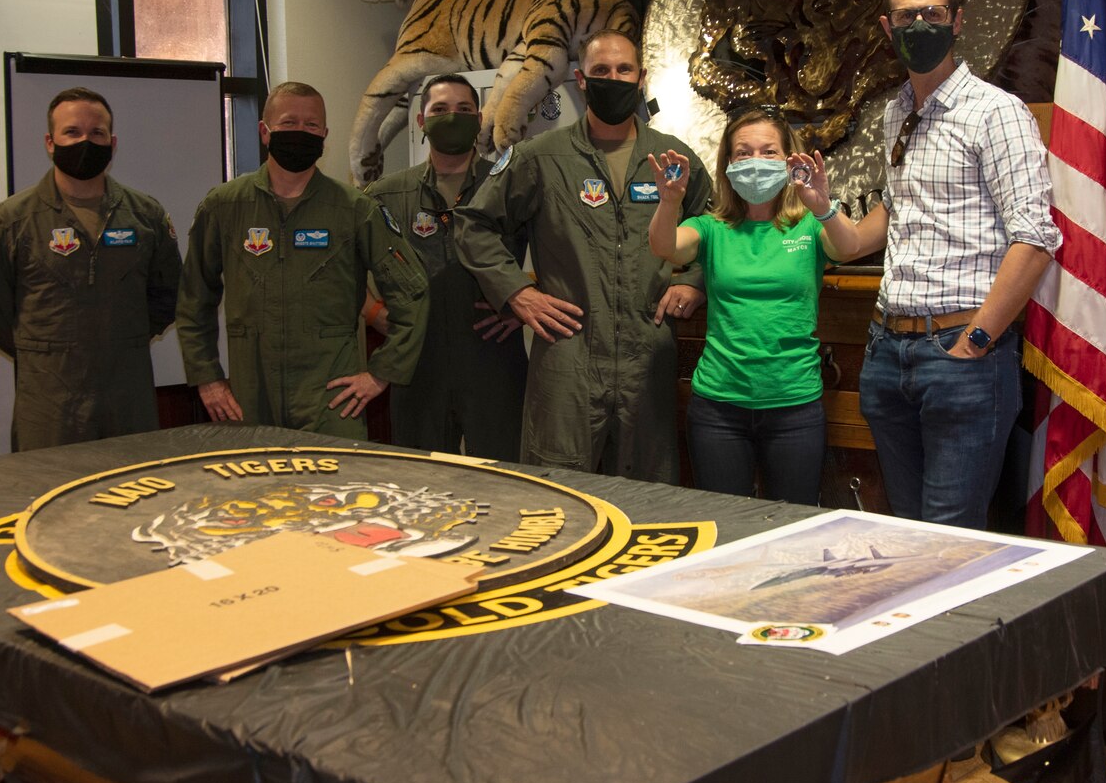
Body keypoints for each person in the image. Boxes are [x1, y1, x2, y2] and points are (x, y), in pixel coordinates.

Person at [835, 0, 1062, 527]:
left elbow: (1034, 238)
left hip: (961, 355)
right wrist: (821, 207)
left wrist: (979, 339)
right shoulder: (896, 113)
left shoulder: (997, 112)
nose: (919, 25)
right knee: (908, 532)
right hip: (889, 351)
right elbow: (902, 209)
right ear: (888, 28)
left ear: (957, 21)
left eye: (931, 13)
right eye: (906, 15)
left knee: (952, 538)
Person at [454, 31, 711, 483]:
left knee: (649, 494)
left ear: (641, 77)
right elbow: (474, 225)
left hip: (646, 354)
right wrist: (517, 293)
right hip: (567, 354)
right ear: (581, 81)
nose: (614, 79)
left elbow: (717, 228)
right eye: (601, 72)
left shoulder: (674, 159)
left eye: (624, 70)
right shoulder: (540, 157)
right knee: (556, 490)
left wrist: (694, 278)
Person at [176, 81, 428, 438]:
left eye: (311, 126)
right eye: (288, 123)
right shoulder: (224, 206)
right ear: (265, 132)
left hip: (331, 401)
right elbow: (193, 301)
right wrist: (208, 379)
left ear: (324, 134)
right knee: (255, 491)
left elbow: (413, 293)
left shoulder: (356, 209)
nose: (301, 132)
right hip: (250, 397)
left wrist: (381, 373)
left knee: (336, 492)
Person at [647, 107, 862, 504]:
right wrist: (669, 202)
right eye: (743, 153)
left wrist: (822, 204)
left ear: (789, 160)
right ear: (728, 164)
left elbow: (849, 249)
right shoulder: (712, 227)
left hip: (794, 404)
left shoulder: (810, 225)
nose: (756, 162)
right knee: (725, 526)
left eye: (769, 152)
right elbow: (665, 248)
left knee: (793, 527)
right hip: (718, 407)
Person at [0, 86, 183, 450]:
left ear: (112, 144)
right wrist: (50, 348)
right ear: (50, 142)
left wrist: (119, 337)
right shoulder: (12, 221)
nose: (86, 141)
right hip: (49, 400)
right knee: (51, 492)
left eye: (96, 133)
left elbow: (169, 294)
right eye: (72, 132)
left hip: (126, 394)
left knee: (137, 491)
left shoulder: (145, 215)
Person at [361, 75, 526, 459]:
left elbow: (562, 250)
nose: (452, 117)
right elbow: (341, 270)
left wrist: (523, 311)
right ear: (421, 121)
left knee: (508, 481)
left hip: (494, 360)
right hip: (418, 363)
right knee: (423, 483)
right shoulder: (386, 194)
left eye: (463, 110)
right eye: (440, 110)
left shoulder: (511, 184)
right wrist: (374, 315)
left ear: (479, 118)